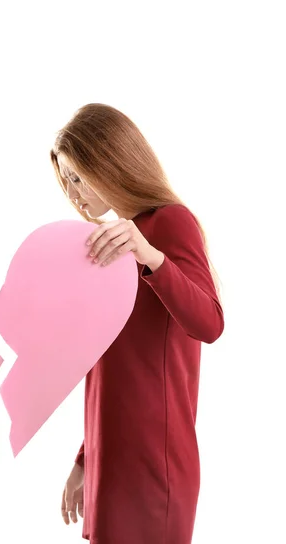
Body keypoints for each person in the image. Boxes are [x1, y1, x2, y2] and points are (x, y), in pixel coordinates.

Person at [50, 103, 224, 544]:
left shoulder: (168, 223)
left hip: (154, 461)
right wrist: (85, 457)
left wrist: (151, 256)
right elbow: (107, 366)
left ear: (110, 162)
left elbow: (209, 322)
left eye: (79, 175)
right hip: (112, 456)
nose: (73, 192)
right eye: (66, 180)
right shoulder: (113, 242)